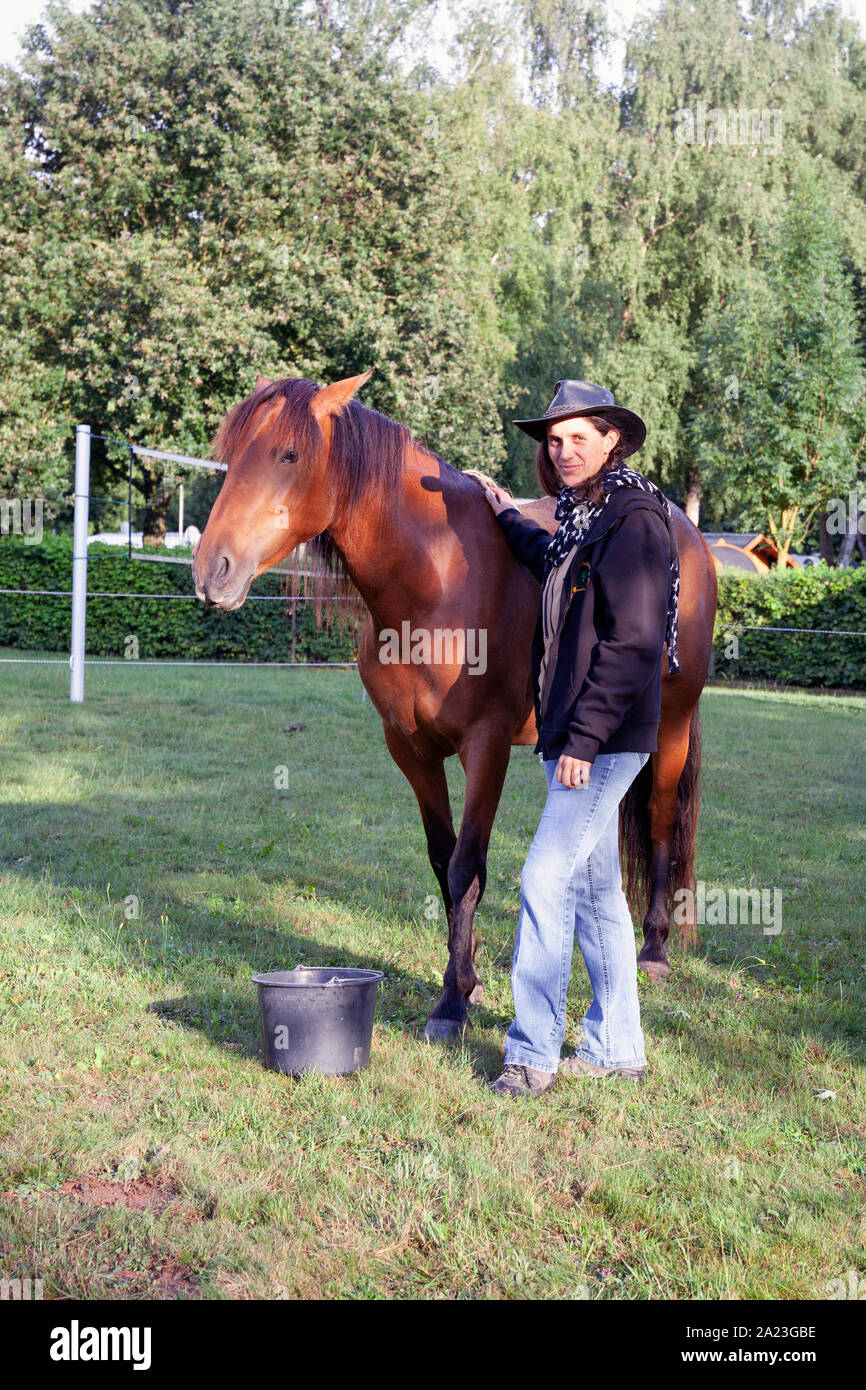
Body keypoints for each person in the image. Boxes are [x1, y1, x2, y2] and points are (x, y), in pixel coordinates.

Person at [481, 379, 681, 1099]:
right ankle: (618, 1047)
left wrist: (584, 741)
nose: (563, 451)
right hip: (572, 733)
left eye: (579, 438)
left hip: (600, 740)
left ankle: (532, 1053)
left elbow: (631, 644)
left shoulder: (632, 519)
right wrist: (507, 516)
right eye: (554, 441)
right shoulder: (582, 518)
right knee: (597, 895)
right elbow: (557, 569)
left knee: (544, 876)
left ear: (612, 441)